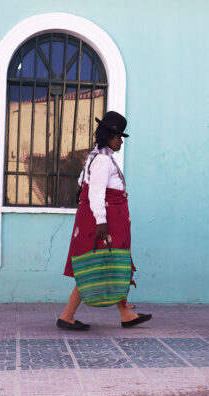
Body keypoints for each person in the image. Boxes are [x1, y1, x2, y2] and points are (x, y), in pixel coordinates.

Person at [57, 111, 151, 330]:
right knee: (96, 265)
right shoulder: (101, 161)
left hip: (108, 220)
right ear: (109, 136)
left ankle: (125, 313)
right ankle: (67, 315)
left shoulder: (97, 157)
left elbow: (83, 182)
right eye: (118, 137)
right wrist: (101, 221)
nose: (120, 141)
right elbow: (96, 193)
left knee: (110, 263)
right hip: (103, 222)